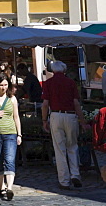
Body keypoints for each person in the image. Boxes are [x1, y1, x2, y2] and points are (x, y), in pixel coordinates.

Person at [42, 60, 90, 190]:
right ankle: (75, 174)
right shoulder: (71, 82)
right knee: (72, 146)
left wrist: (44, 120)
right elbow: (76, 103)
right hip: (70, 115)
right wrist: (83, 121)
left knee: (59, 149)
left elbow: (45, 104)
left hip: (56, 115)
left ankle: (64, 180)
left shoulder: (48, 83)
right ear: (64, 70)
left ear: (52, 71)